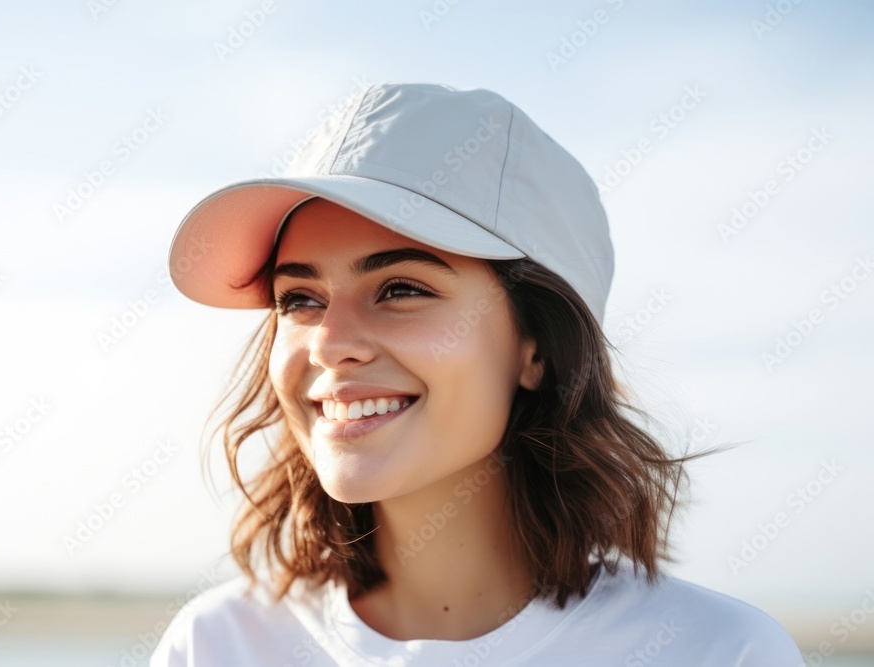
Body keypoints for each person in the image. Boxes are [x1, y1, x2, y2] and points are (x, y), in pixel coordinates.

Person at [150, 82, 804, 666]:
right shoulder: (215, 646)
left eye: (401, 288)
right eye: (300, 298)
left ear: (538, 349)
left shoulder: (720, 651)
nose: (330, 343)